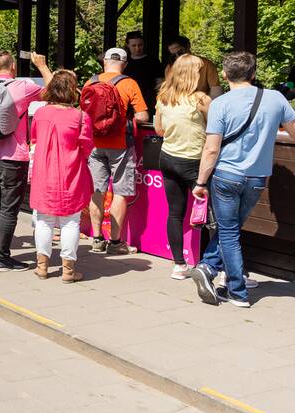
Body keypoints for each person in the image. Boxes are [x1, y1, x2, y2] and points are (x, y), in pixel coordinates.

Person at [191, 52, 295, 308]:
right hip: (257, 177)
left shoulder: (221, 103)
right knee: (232, 229)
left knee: (228, 231)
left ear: (225, 76)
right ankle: (210, 270)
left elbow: (212, 148)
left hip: (226, 176)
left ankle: (234, 288)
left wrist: (201, 182)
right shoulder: (276, 98)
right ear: (253, 74)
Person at [0, 51, 52, 271]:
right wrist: (42, 66)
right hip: (14, 159)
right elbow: (55, 91)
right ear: (13, 66)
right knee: (9, 209)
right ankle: (2, 257)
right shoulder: (21, 87)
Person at [29, 70, 94, 282]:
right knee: (70, 221)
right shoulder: (81, 116)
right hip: (71, 172)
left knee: (43, 220)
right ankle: (68, 270)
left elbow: (35, 138)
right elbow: (87, 147)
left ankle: (42, 267)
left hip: (44, 172)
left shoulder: (40, 113)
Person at [85, 48, 149, 255]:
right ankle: (115, 243)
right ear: (125, 64)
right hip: (121, 144)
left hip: (93, 144)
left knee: (97, 191)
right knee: (120, 193)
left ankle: (96, 239)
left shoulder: (90, 82)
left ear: (104, 62)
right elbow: (143, 116)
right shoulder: (129, 83)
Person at [153, 54, 212, 280]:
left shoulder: (164, 97)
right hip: (195, 161)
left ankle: (179, 265)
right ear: (192, 74)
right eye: (198, 70)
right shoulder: (202, 100)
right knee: (211, 215)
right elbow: (217, 130)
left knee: (175, 213)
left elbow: (159, 130)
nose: (201, 74)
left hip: (168, 157)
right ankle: (217, 266)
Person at [123, 30, 164, 115]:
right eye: (134, 45)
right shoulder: (124, 61)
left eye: (140, 45)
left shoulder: (153, 61)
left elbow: (159, 83)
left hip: (148, 100)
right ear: (127, 45)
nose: (137, 48)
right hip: (127, 101)